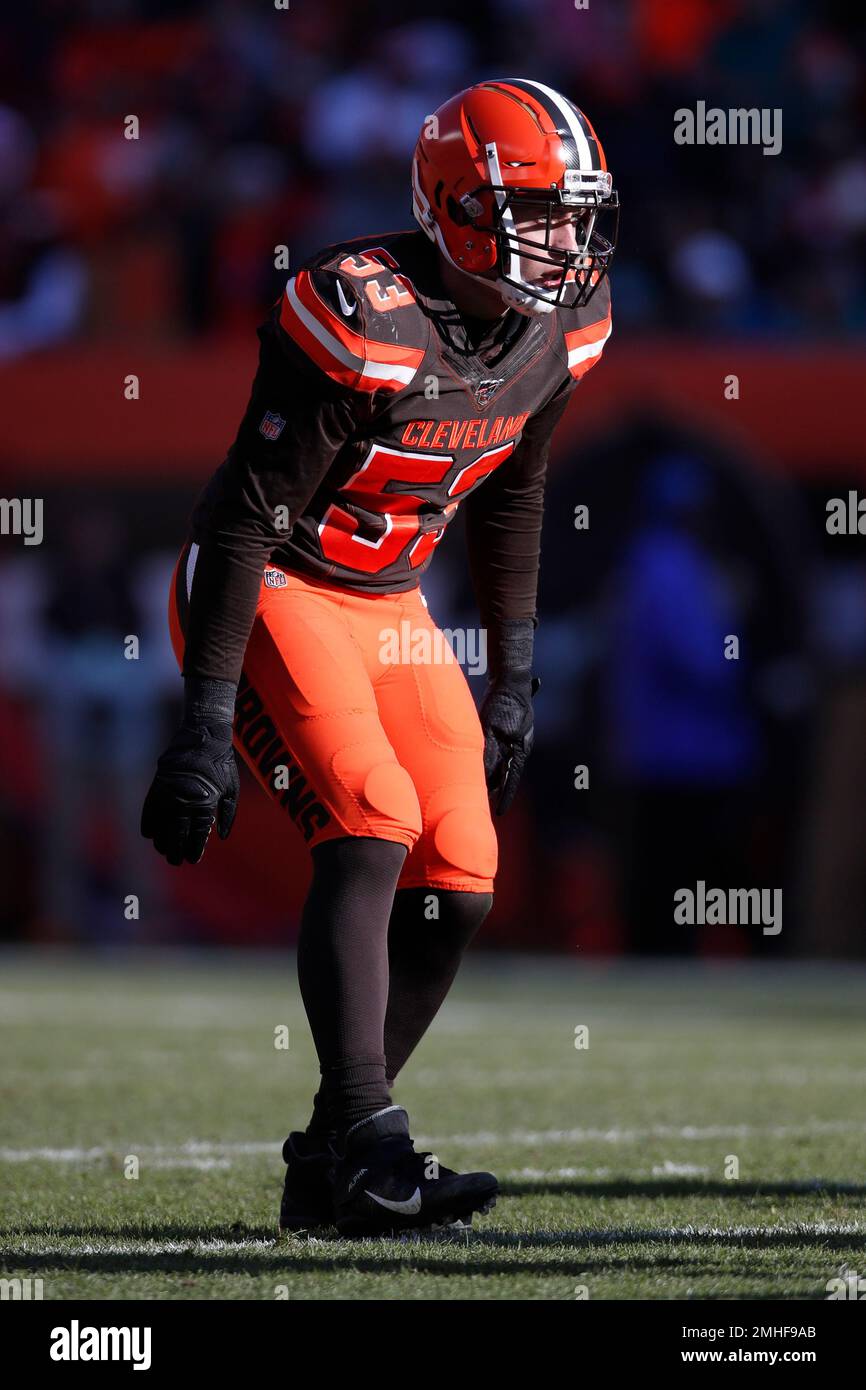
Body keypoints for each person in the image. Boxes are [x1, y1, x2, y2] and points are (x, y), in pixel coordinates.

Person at [141, 79, 617, 1237]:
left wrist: (513, 676)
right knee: (372, 814)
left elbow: (514, 498)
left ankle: (336, 1155)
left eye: (576, 214)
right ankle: (365, 1133)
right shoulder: (360, 308)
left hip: (389, 598)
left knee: (460, 866)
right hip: (273, 582)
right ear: (460, 208)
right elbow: (243, 517)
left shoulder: (563, 325)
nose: (569, 242)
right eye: (543, 212)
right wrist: (203, 721)